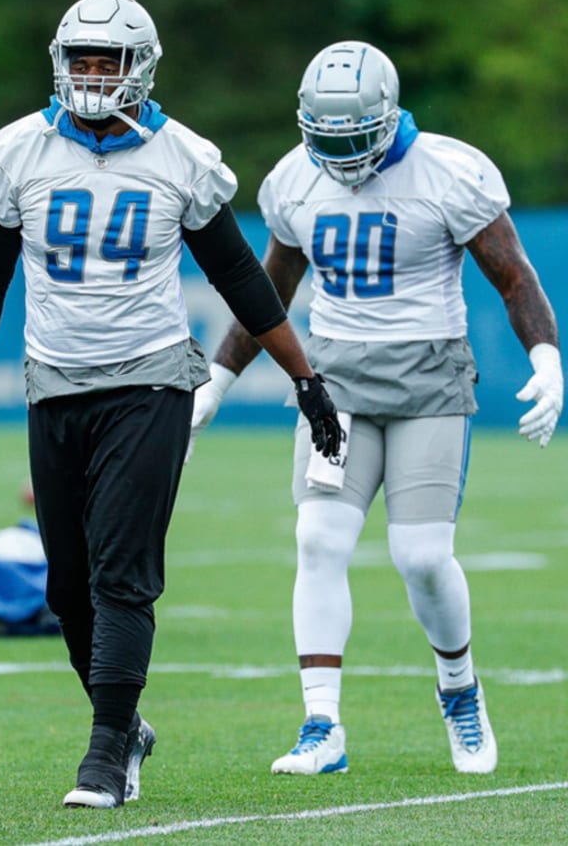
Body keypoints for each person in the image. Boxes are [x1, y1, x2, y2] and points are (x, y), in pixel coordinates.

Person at [0, 0, 342, 810]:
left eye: (108, 61)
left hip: (150, 380)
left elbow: (240, 277)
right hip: (54, 381)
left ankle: (102, 759)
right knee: (66, 588)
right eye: (81, 60)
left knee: (122, 576)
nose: (92, 76)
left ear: (141, 68)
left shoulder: (181, 157)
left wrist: (304, 378)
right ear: (59, 62)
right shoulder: (17, 153)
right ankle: (126, 725)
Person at [189, 40, 562, 776]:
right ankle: (321, 724)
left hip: (428, 377)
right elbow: (272, 290)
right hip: (337, 383)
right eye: (328, 138)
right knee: (319, 540)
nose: (342, 153)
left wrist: (547, 359)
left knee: (421, 557)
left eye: (356, 136)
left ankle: (459, 688)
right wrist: (218, 379)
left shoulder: (450, 172)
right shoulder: (296, 179)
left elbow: (514, 279)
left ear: (390, 119)